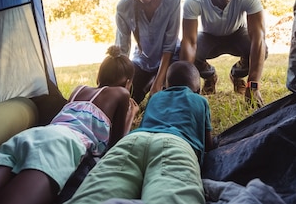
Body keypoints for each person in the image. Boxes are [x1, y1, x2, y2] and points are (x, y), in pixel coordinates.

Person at [0, 46, 138, 204]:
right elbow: (115, 147)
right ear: (128, 82)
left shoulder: (78, 90)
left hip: (32, 135)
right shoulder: (121, 94)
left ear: (100, 75)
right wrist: (130, 117)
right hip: (62, 144)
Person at [64, 60, 213, 204]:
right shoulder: (200, 100)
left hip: (134, 140)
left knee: (97, 189)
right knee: (172, 192)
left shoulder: (156, 97)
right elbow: (208, 143)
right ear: (198, 91)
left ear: (165, 87)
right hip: (176, 144)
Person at [181, 0, 267, 106]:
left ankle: (237, 75)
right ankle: (209, 76)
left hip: (237, 35)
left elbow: (258, 40)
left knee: (261, 49)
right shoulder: (195, 0)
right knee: (186, 51)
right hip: (209, 37)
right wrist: (184, 90)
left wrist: (253, 86)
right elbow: (189, 42)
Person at [115, 0, 181, 104]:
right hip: (143, 61)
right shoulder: (124, 8)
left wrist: (158, 82)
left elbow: (169, 45)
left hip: (171, 58)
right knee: (128, 97)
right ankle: (148, 83)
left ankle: (156, 82)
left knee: (168, 99)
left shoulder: (172, 0)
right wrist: (122, 84)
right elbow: (123, 48)